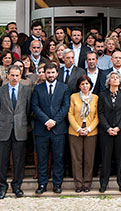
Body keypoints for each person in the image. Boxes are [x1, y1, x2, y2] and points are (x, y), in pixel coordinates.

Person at [0, 65, 32, 199]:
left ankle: (17, 186)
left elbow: (28, 110)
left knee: (19, 160)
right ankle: (2, 187)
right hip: (3, 129)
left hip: (20, 130)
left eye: (17, 75)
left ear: (20, 76)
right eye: (12, 75)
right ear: (7, 75)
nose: (14, 78)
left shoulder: (27, 91)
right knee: (1, 161)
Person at [32, 63, 70, 194]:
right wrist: (46, 120)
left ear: (57, 73)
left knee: (58, 158)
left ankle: (57, 184)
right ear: (44, 73)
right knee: (42, 158)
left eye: (53, 72)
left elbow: (65, 107)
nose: (51, 75)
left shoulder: (64, 88)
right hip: (42, 129)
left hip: (58, 129)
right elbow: (35, 107)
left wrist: (54, 121)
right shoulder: (38, 88)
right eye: (48, 73)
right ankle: (42, 184)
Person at [97, 71, 121, 193]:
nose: (115, 79)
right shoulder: (102, 95)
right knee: (106, 158)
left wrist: (118, 128)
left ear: (120, 81)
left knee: (120, 158)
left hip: (120, 132)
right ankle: (103, 184)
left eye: (117, 78)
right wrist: (108, 128)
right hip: (106, 132)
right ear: (108, 81)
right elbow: (100, 113)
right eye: (113, 78)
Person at [67, 75, 99, 193]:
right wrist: (78, 128)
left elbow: (97, 116)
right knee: (77, 159)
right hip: (75, 131)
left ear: (90, 85)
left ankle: (87, 183)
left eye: (87, 83)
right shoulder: (74, 97)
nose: (85, 86)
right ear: (79, 86)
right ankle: (78, 184)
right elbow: (70, 114)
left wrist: (89, 128)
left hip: (91, 131)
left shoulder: (95, 98)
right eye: (82, 84)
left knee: (89, 159)